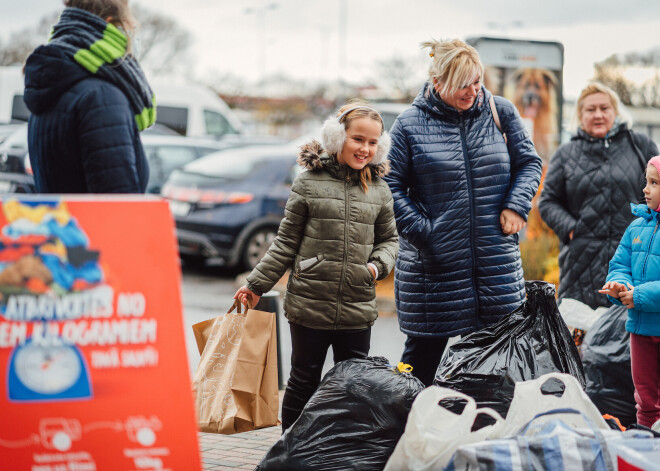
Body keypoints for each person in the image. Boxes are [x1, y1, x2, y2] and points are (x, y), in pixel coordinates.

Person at [384, 38, 542, 387]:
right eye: (462, 84)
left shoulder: (501, 111)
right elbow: (388, 187)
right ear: (437, 82)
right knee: (416, 372)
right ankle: (405, 435)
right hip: (433, 272)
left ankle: (481, 437)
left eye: (477, 81)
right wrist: (427, 233)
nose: (472, 91)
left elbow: (529, 163)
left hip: (495, 268)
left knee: (496, 374)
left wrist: (516, 206)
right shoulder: (409, 125)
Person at [234, 102, 398, 431]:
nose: (365, 148)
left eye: (372, 142)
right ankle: (289, 452)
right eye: (357, 139)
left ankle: (335, 451)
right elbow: (284, 243)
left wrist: (376, 268)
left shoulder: (379, 191)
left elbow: (390, 241)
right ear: (337, 137)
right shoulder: (309, 183)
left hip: (356, 306)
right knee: (303, 380)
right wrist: (255, 286)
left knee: (352, 387)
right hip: (309, 303)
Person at [540, 82, 659, 309]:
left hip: (634, 254)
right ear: (580, 115)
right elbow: (548, 201)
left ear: (615, 112)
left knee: (629, 333)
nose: (598, 115)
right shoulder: (566, 154)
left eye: (604, 108)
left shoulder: (640, 145)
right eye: (590, 109)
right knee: (580, 335)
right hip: (581, 261)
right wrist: (573, 229)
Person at [23, 0, 154, 193]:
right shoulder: (102, 98)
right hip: (89, 224)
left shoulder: (50, 86)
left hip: (63, 222)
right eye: (127, 28)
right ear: (110, 23)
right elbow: (118, 204)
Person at [599, 156, 660, 428]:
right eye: (646, 182)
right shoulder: (636, 227)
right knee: (645, 400)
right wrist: (618, 285)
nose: (646, 189)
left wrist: (639, 295)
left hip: (644, 311)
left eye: (655, 183)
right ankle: (647, 449)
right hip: (641, 330)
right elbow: (620, 265)